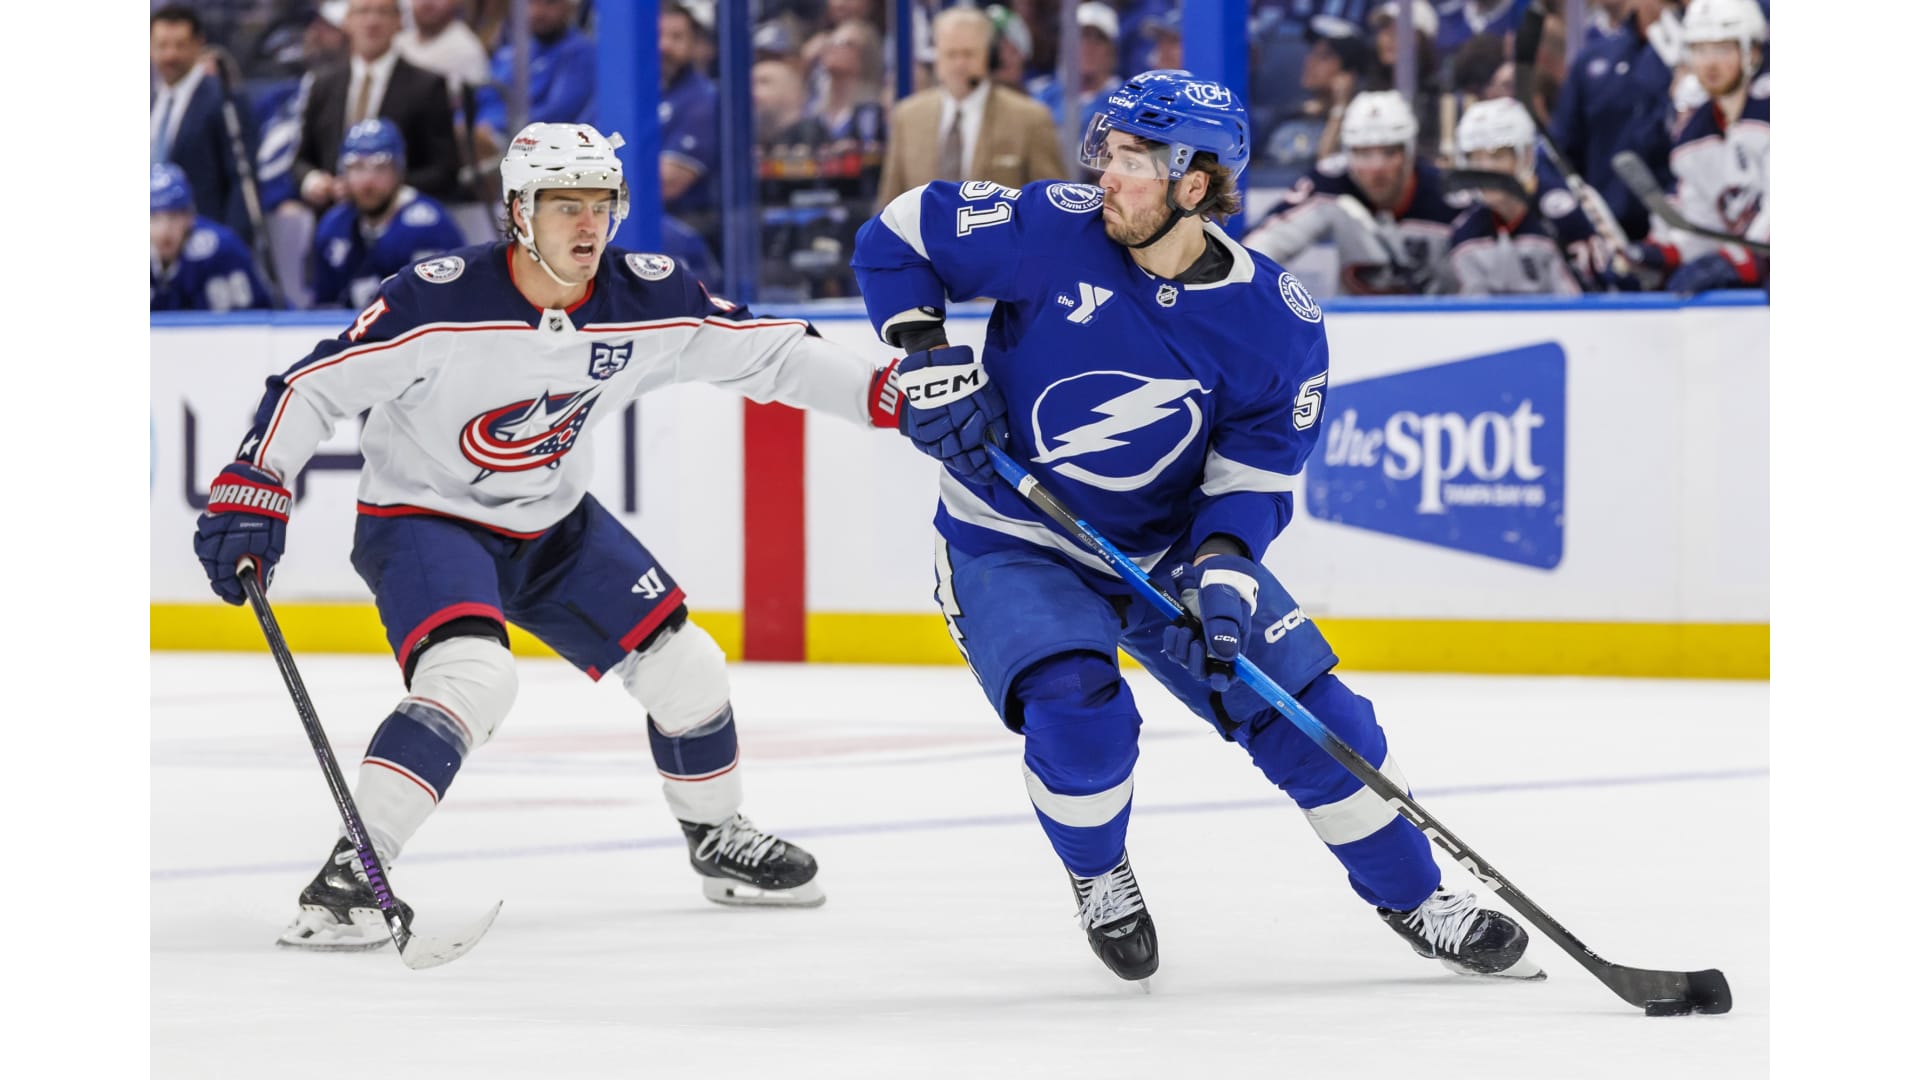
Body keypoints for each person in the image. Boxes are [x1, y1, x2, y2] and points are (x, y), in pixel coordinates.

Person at [848, 70, 1543, 985]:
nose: (1106, 176)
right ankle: (1099, 874)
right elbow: (897, 235)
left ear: (1196, 183)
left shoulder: (1274, 323)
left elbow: (1253, 476)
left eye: (1133, 161)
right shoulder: (1051, 227)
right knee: (1078, 712)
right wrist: (926, 353)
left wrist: (1222, 564)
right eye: (1106, 152)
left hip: (1166, 548)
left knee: (1319, 720)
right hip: (1013, 535)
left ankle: (1417, 899)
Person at [192, 123, 907, 950]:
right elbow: (313, 385)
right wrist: (259, 478)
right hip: (425, 515)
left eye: (601, 204)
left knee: (689, 669)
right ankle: (355, 870)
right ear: (517, 213)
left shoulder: (645, 297)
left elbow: (770, 353)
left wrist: (887, 394)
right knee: (474, 677)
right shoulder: (439, 300)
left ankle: (716, 837)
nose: (588, 224)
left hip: (550, 520)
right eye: (565, 205)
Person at [1242, 90, 1465, 295]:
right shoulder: (1331, 183)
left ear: (1409, 153)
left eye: (1389, 152)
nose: (1376, 167)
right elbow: (1263, 243)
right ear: (1347, 154)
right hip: (1356, 322)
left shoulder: (1448, 197)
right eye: (1363, 153)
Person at [1627, 0, 1768, 294]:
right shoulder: (1692, 137)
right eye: (1700, 50)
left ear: (1752, 52)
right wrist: (1662, 254)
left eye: (1722, 49)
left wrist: (1744, 259)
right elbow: (1700, 227)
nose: (1710, 63)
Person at [874, 5, 1065, 212]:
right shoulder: (908, 117)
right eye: (951, 54)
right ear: (937, 57)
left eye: (968, 54)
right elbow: (889, 205)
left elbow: (1052, 205)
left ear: (988, 55)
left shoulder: (1029, 118)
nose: (959, 64)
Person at [293, 0, 462, 211]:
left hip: (401, 218)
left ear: (399, 22)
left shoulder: (428, 86)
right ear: (346, 21)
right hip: (333, 216)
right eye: (363, 11)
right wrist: (312, 180)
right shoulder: (322, 85)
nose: (372, 21)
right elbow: (301, 160)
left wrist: (382, 189)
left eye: (383, 12)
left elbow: (445, 171)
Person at [1447, 97, 1621, 295]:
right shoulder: (1465, 230)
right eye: (1476, 158)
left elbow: (1601, 294)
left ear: (1527, 156)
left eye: (1497, 156)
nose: (1485, 169)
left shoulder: (1567, 214)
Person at [310, 119, 468, 309]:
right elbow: (324, 307)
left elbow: (446, 304)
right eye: (357, 167)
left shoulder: (429, 225)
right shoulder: (334, 226)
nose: (368, 181)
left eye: (380, 167)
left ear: (399, 170)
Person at [152, 4, 259, 245]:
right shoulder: (150, 102)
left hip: (201, 239)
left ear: (198, 44)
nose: (170, 55)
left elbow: (241, 181)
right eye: (162, 46)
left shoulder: (224, 100)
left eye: (180, 45)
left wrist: (230, 244)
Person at [152, 163, 273, 313]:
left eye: (173, 217)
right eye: (153, 218)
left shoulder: (222, 250)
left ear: (189, 216)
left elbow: (255, 314)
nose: (164, 230)